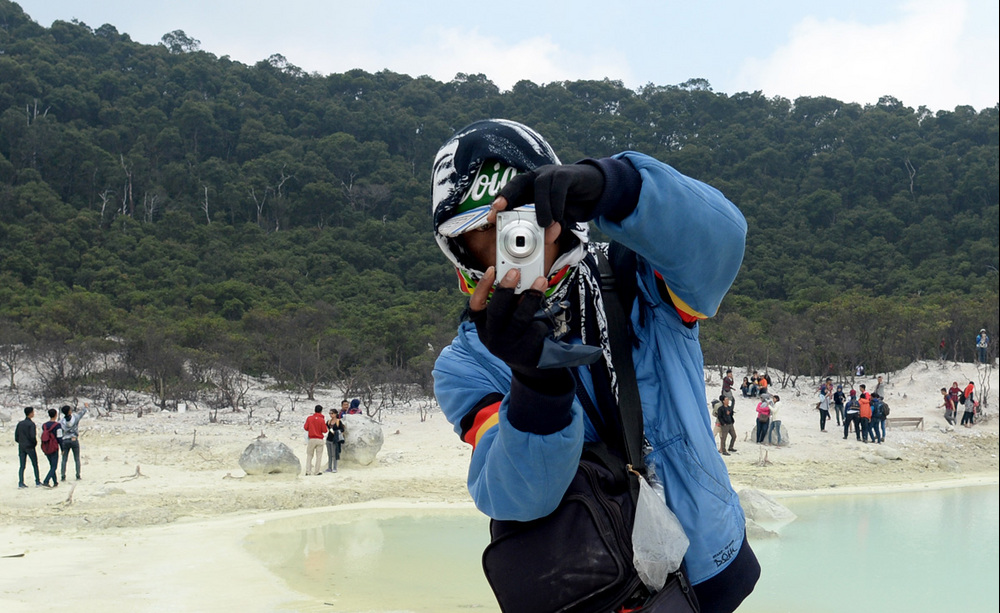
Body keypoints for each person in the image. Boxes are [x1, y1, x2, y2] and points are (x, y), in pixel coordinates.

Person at [430, 119, 758, 612]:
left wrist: (619, 187)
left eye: (521, 221)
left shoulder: (642, 279)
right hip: (595, 590)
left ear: (560, 212)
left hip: (708, 568)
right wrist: (536, 385)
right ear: (459, 252)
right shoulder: (467, 363)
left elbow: (722, 244)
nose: (511, 245)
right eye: (483, 233)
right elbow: (518, 496)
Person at [59, 404, 87, 481]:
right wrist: (85, 407)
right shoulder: (75, 418)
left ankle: (63, 475)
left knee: (64, 459)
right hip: (74, 439)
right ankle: (78, 475)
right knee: (77, 459)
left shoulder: (61, 422)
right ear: (69, 412)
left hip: (65, 440)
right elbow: (81, 413)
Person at [14, 407, 41, 489]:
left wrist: (21, 442)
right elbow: (33, 436)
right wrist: (34, 443)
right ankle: (37, 481)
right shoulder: (31, 424)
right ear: (30, 413)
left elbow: (16, 437)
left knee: (22, 465)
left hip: (21, 446)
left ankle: (21, 482)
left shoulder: (20, 424)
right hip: (30, 446)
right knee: (35, 464)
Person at [303, 405, 328, 476]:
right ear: (321, 411)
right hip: (319, 439)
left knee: (309, 455)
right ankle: (317, 471)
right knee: (319, 456)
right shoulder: (322, 419)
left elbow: (305, 427)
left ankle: (308, 471)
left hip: (311, 439)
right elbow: (325, 430)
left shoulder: (309, 418)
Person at [40, 408, 63, 487]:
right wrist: (62, 448)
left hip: (46, 447)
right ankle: (46, 481)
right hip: (54, 447)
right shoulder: (58, 425)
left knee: (51, 465)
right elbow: (59, 437)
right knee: (54, 466)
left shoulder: (44, 425)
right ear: (56, 415)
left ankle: (55, 481)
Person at [325, 408, 346, 473]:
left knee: (334, 454)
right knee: (329, 454)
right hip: (329, 439)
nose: (331, 415)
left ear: (336, 414)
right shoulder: (328, 421)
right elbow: (327, 428)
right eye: (330, 413)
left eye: (332, 413)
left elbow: (342, 429)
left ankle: (335, 467)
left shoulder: (338, 421)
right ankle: (329, 467)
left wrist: (336, 432)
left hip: (335, 440)